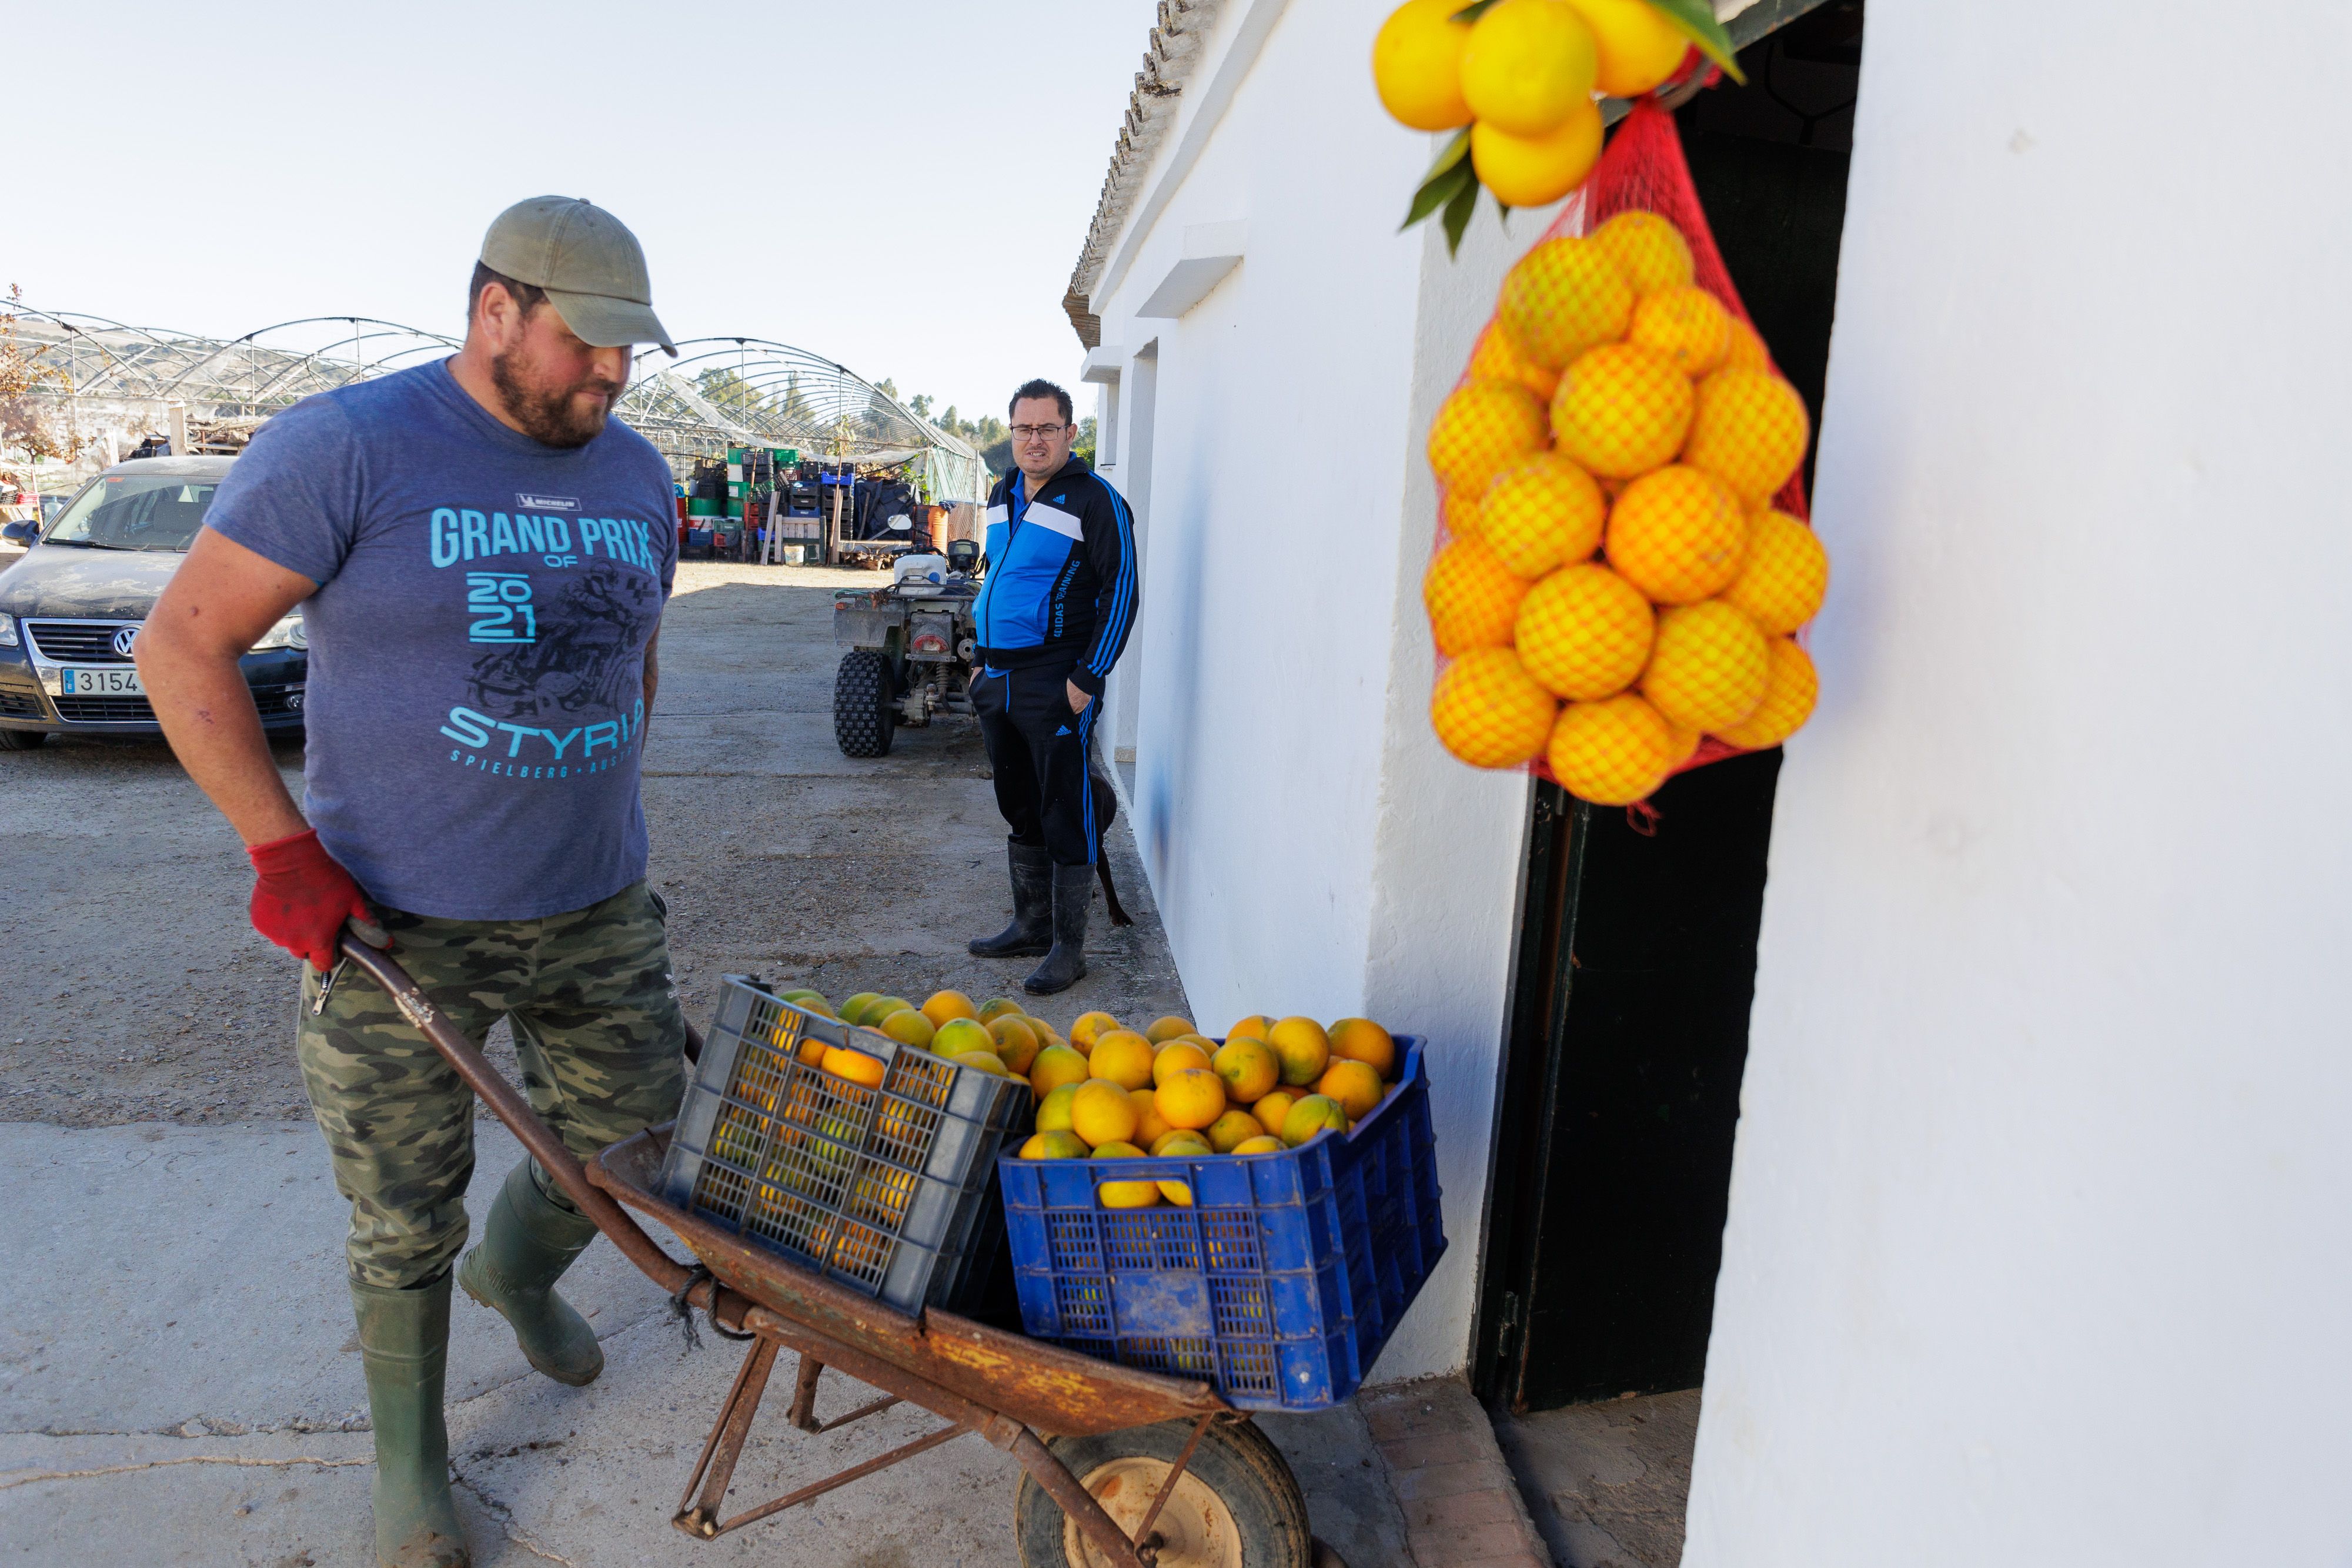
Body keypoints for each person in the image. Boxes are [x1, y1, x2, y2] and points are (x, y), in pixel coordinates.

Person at [136, 196, 686, 1568]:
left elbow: (635, 656)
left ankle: (520, 1272)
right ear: (495, 309)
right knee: (402, 1209)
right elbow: (182, 646)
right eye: (585, 346)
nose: (610, 377)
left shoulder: (634, 475)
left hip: (594, 902)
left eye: (627, 354)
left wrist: (584, 780)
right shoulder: (345, 449)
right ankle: (412, 1474)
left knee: (636, 1138)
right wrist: (284, 853)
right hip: (392, 928)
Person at [967, 378, 1138, 994]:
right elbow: (997, 577)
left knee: (1065, 806)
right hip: (998, 677)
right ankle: (1030, 925)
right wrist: (981, 663)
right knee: (1018, 802)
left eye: (1046, 428)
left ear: (1070, 432)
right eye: (1023, 429)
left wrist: (1087, 679)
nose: (1033, 440)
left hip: (1056, 680)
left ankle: (1070, 948)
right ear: (1010, 433)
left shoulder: (1096, 501)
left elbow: (1121, 592)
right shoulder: (1000, 492)